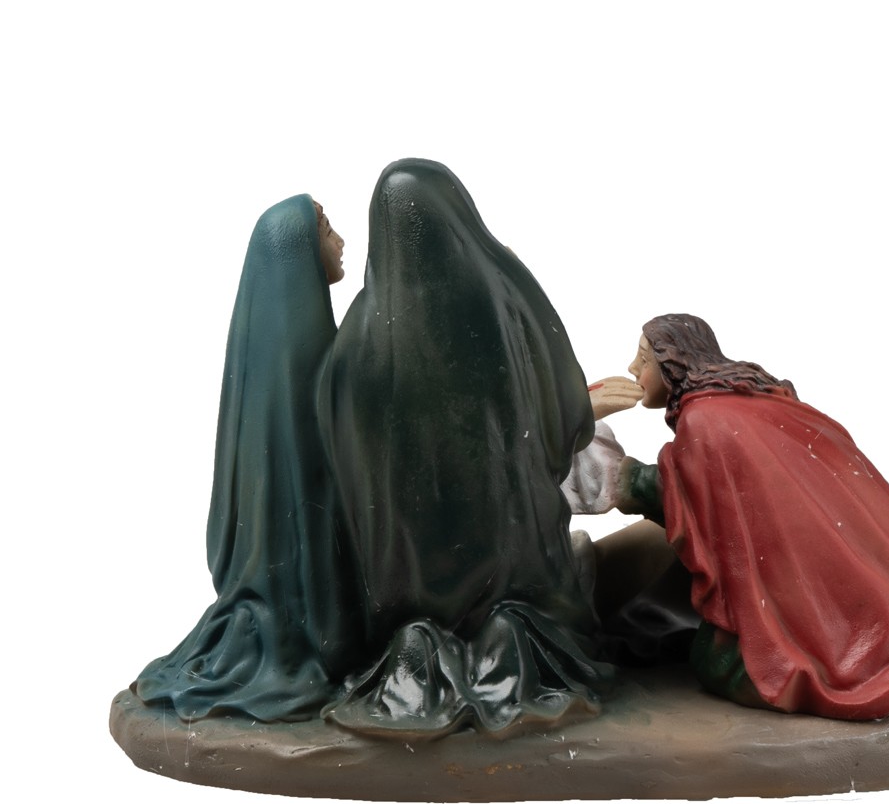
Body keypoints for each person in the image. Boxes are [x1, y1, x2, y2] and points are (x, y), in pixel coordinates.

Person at [613, 313, 889, 719]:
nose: (633, 368)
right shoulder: (749, 398)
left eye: (644, 359)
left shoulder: (705, 420)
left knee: (719, 662)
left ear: (673, 364)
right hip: (816, 563)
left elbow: (700, 497)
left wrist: (623, 479)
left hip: (802, 583)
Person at [318, 160, 611, 738]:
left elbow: (338, 458)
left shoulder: (353, 343)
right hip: (519, 570)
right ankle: (510, 634)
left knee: (418, 613)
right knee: (536, 595)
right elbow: (567, 422)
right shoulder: (506, 299)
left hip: (403, 584)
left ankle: (421, 642)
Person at [134, 197, 362, 721]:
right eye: (328, 231)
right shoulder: (309, 347)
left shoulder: (263, 345)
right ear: (298, 248)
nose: (340, 243)